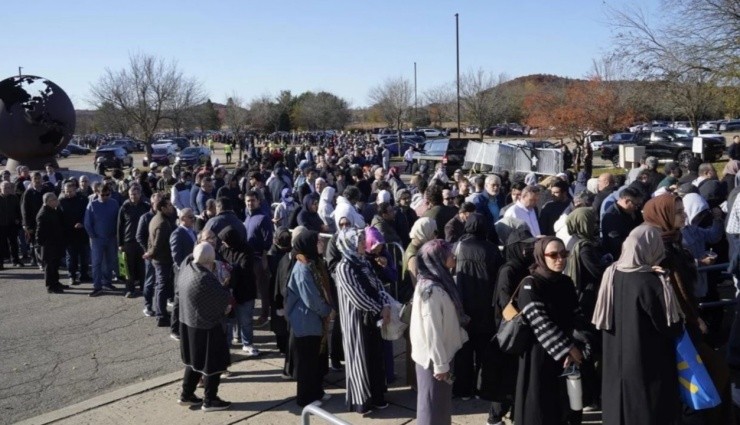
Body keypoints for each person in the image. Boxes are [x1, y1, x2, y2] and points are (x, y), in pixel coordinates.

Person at [594, 224, 683, 425]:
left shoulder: (611, 274)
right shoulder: (649, 281)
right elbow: (670, 326)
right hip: (647, 362)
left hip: (615, 360)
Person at [515, 236, 587, 425]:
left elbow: (576, 314)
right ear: (541, 256)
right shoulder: (530, 284)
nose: (560, 259)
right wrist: (568, 349)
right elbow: (539, 322)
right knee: (540, 408)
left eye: (564, 254)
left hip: (567, 357)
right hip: (539, 354)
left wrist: (577, 346)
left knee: (566, 406)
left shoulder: (565, 282)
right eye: (553, 255)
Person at [334, 227, 395, 414]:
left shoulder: (363, 263)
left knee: (375, 359)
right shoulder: (343, 267)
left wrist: (385, 304)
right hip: (356, 323)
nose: (363, 244)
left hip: (373, 320)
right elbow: (357, 297)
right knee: (361, 360)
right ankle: (363, 401)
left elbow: (377, 286)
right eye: (359, 241)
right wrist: (380, 308)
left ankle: (377, 396)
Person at [410, 239, 469, 425]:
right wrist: (441, 365)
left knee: (440, 407)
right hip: (434, 360)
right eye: (449, 254)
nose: (454, 256)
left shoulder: (439, 280)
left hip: (441, 356)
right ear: (438, 259)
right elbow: (432, 331)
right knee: (431, 408)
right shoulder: (431, 290)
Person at [453, 213, 503, 400]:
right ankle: (483, 389)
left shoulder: (460, 247)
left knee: (464, 350)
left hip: (464, 304)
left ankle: (463, 389)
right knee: (484, 352)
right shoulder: (491, 250)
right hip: (485, 306)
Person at [176, 242, 232, 412]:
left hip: (188, 323)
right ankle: (210, 400)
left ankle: (186, 395)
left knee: (194, 362)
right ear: (210, 259)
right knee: (212, 365)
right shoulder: (205, 278)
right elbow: (224, 300)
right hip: (206, 327)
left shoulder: (187, 269)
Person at [285, 230, 334, 407]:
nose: (322, 244)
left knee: (315, 361)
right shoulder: (303, 269)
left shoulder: (313, 264)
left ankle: (316, 392)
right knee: (306, 364)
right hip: (305, 322)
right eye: (318, 242)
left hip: (314, 322)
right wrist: (327, 310)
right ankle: (306, 398)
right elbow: (311, 299)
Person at [218, 226, 259, 357]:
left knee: (245, 320)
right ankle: (233, 340)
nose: (223, 243)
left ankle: (247, 343)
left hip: (244, 291)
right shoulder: (224, 248)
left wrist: (227, 269)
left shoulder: (247, 250)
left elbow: (244, 269)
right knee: (231, 319)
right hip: (229, 290)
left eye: (225, 241)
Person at [144, 198, 177, 327]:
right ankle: (161, 316)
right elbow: (157, 244)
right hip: (162, 260)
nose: (172, 207)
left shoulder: (156, 218)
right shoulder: (162, 223)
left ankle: (161, 311)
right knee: (161, 287)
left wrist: (149, 252)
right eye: (169, 206)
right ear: (162, 208)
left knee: (160, 286)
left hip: (159, 259)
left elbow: (149, 240)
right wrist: (150, 254)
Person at [84, 184, 120, 297]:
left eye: (107, 194)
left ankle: (107, 282)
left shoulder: (114, 203)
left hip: (111, 238)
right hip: (97, 239)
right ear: (98, 193)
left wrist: (116, 234)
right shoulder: (92, 205)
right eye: (102, 195)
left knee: (109, 261)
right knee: (96, 263)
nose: (105, 197)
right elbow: (87, 223)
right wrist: (93, 235)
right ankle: (97, 286)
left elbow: (118, 220)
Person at [244, 190, 273, 327]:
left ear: (258, 201)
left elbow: (268, 241)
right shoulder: (248, 216)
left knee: (263, 289)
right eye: (248, 201)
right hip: (249, 258)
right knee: (252, 288)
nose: (250, 203)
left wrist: (264, 257)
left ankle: (265, 315)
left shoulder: (263, 218)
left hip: (259, 259)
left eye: (252, 200)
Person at [118, 186, 150, 298]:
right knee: (128, 268)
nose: (133, 196)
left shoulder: (146, 207)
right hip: (128, 242)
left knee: (142, 267)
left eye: (135, 194)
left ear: (140, 194)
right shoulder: (124, 208)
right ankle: (130, 289)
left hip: (142, 242)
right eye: (131, 194)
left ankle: (143, 287)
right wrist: (120, 244)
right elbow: (120, 227)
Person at [601, 186, 644, 260]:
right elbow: (616, 244)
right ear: (627, 201)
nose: (637, 208)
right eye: (636, 205)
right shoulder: (611, 217)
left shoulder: (634, 211)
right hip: (621, 257)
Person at [36, 193, 66, 293]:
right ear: (48, 202)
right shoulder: (43, 213)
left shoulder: (53, 210)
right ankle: (50, 286)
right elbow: (39, 232)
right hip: (48, 244)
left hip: (56, 242)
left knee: (55, 264)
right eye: (54, 199)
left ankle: (56, 282)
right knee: (49, 266)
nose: (57, 201)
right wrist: (41, 244)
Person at [0, 181, 22, 269]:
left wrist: (18, 219)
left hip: (12, 224)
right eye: (5, 188)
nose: (7, 189)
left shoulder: (14, 198)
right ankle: (0, 263)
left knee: (14, 243)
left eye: (8, 187)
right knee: (1, 245)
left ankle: (15, 260)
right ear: (1, 188)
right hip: (1, 225)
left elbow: (18, 210)